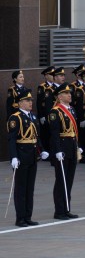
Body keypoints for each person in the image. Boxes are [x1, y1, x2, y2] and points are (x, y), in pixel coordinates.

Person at [8, 90, 45, 226]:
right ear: (20, 103)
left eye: (31, 101)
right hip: (21, 155)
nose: (30, 103)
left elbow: (37, 136)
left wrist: (41, 150)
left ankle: (28, 216)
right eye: (27, 101)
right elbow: (12, 139)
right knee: (21, 189)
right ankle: (20, 218)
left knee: (30, 188)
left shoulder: (33, 117)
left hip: (32, 155)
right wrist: (13, 157)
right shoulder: (15, 118)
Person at [45, 83, 80, 220]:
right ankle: (59, 211)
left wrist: (78, 145)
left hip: (71, 147)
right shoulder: (55, 112)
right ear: (59, 97)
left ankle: (66, 208)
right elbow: (54, 134)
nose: (69, 95)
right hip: (62, 149)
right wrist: (57, 151)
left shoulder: (71, 110)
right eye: (66, 93)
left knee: (69, 180)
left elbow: (74, 131)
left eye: (70, 93)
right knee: (61, 180)